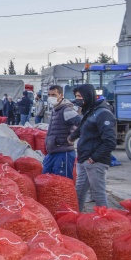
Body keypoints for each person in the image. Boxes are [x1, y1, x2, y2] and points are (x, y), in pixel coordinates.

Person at [69, 84, 117, 212]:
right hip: (85, 159)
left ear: (88, 95)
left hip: (95, 161)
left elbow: (110, 142)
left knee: (98, 194)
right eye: (76, 96)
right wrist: (71, 137)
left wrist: (94, 158)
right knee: (78, 192)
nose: (78, 99)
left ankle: (105, 223)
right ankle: (76, 219)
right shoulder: (90, 111)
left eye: (80, 96)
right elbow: (83, 128)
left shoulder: (103, 114)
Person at [43, 85, 81, 178]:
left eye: (54, 95)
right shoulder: (55, 110)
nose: (51, 97)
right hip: (53, 152)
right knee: (46, 180)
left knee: (62, 183)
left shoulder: (66, 110)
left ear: (61, 95)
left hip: (64, 153)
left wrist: (71, 137)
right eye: (49, 95)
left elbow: (82, 124)